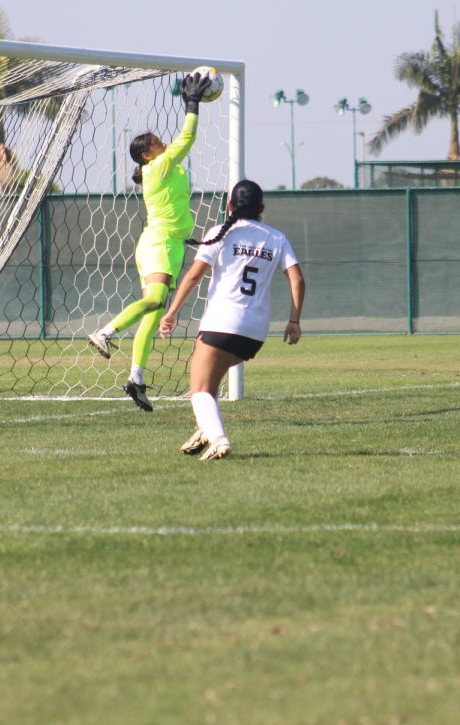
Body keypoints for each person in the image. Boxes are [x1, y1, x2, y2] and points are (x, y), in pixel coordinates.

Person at [87, 71, 214, 411]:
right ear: (147, 155)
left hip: (172, 244)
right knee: (156, 299)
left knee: (154, 313)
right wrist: (192, 103)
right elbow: (187, 138)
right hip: (157, 243)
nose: (163, 143)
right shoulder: (156, 168)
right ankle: (106, 332)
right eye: (158, 142)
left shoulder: (165, 168)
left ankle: (137, 378)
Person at [158, 179, 305, 460]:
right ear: (262, 208)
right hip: (254, 334)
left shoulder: (220, 233)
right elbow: (297, 279)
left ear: (229, 206)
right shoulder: (276, 237)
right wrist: (294, 321)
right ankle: (204, 430)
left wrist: (172, 312)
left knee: (198, 391)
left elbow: (193, 275)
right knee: (208, 384)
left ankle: (218, 439)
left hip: (221, 324)